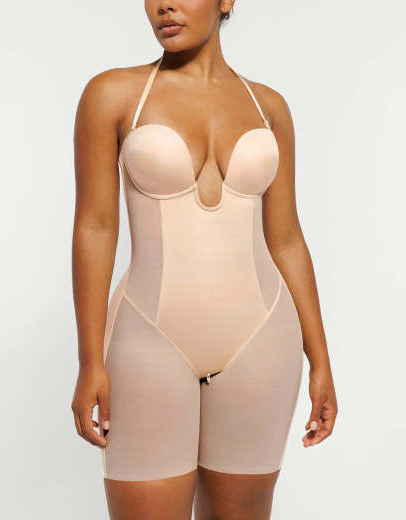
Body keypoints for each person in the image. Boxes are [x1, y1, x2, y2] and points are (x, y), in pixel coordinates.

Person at [71, 1, 338, 518]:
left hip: (263, 340)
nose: (163, 5)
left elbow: (286, 238)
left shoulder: (269, 107)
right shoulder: (113, 94)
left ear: (227, 0)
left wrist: (320, 358)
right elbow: (96, 228)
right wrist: (89, 361)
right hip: (149, 339)